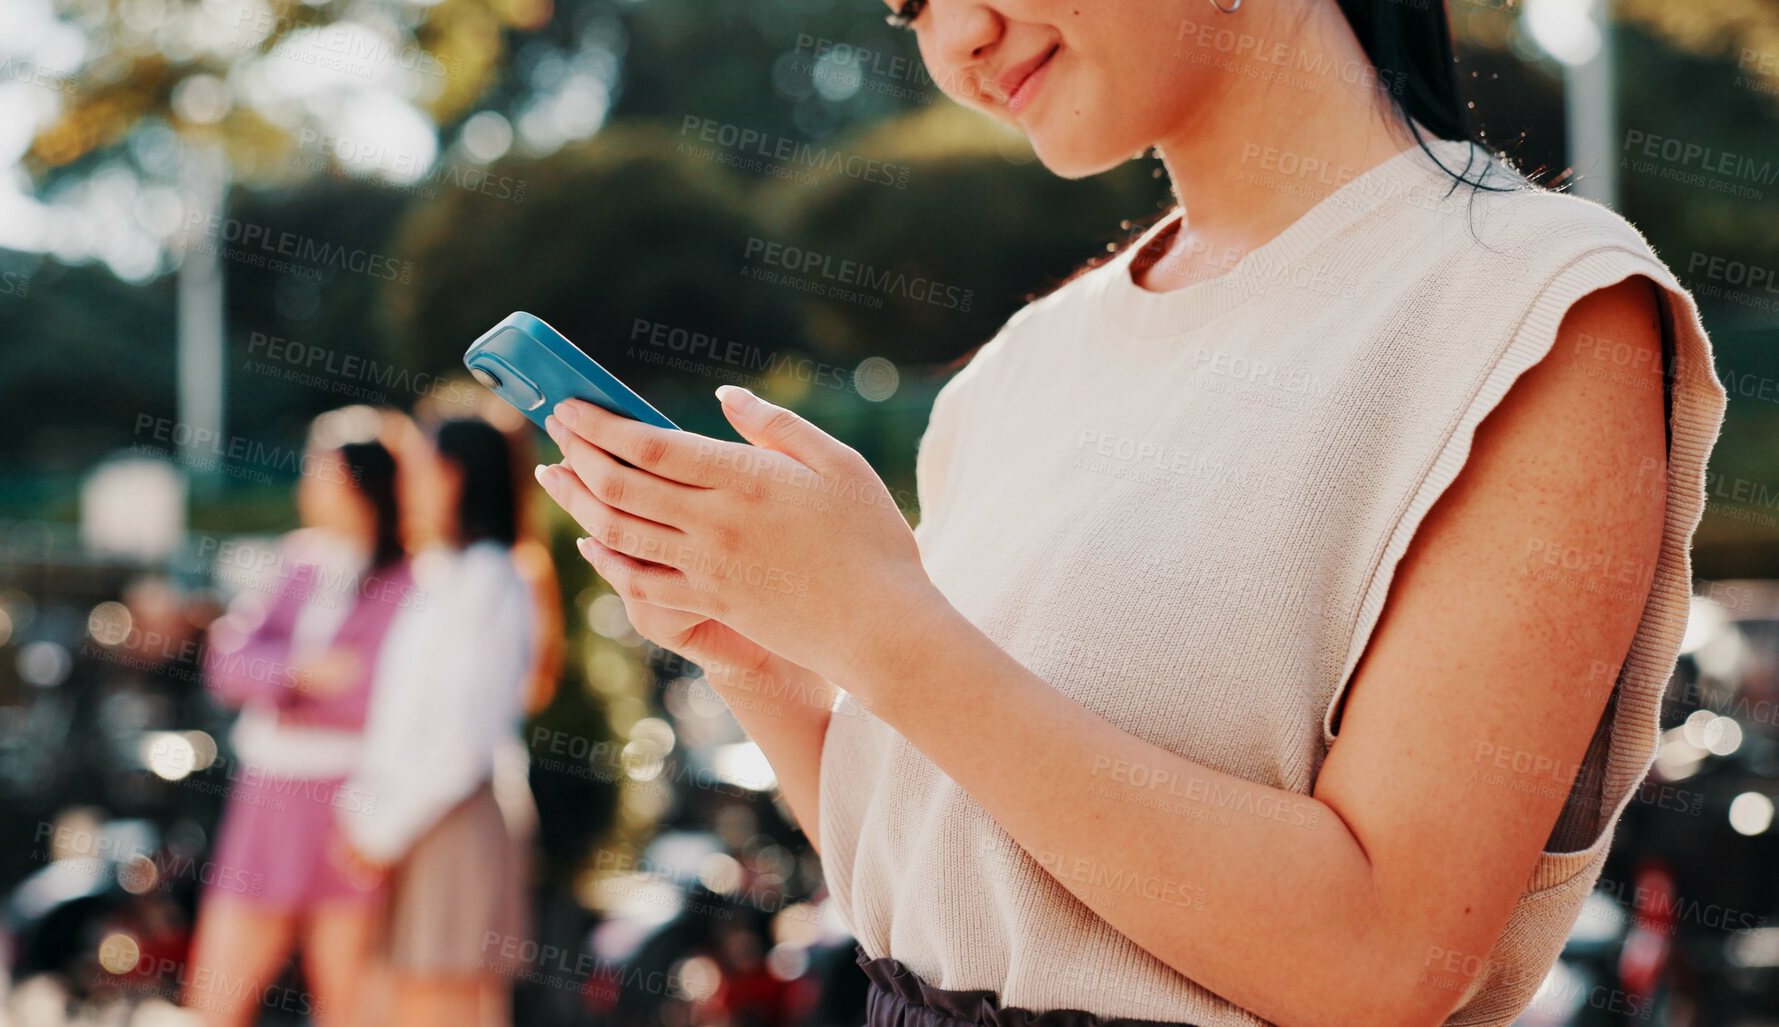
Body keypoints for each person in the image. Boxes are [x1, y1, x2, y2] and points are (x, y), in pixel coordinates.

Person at [528, 2, 1730, 1026]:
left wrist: (877, 624)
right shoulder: (1019, 368)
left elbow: (1382, 958)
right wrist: (753, 651)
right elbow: (940, 879)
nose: (958, 39)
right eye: (910, 2)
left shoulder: (1538, 309)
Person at [184, 408, 415, 1027]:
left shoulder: (411, 579)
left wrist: (288, 681)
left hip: (352, 805)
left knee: (349, 1000)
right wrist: (299, 673)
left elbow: (379, 693)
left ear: (360, 482)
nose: (307, 485)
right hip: (268, 796)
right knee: (216, 991)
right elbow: (226, 661)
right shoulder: (298, 561)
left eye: (321, 471)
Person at [343, 416, 534, 1027]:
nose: (407, 485)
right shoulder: (445, 575)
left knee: (441, 1005)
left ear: (455, 476)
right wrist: (370, 820)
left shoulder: (489, 579)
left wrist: (378, 831)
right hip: (419, 819)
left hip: (451, 813)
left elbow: (462, 740)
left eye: (421, 469)